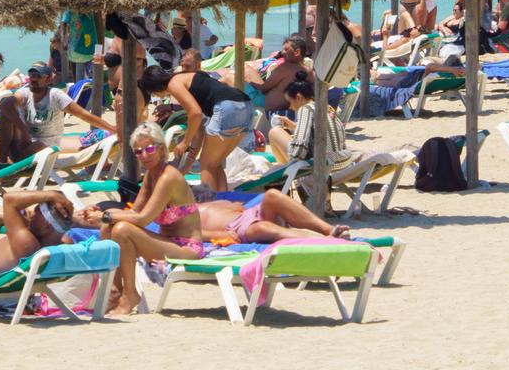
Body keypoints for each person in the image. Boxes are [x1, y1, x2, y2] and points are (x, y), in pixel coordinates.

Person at [92, 122, 209, 315]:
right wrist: (103, 217)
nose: (144, 155)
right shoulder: (151, 175)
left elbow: (143, 218)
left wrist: (106, 215)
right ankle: (115, 291)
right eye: (138, 152)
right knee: (108, 228)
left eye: (149, 149)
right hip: (167, 243)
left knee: (121, 229)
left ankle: (130, 295)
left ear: (161, 148)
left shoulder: (168, 177)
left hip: (188, 247)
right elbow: (134, 211)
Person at [137, 63, 251, 191]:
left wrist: (185, 142)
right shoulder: (187, 78)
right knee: (215, 162)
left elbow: (195, 113)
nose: (155, 96)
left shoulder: (173, 83)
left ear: (155, 86)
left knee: (207, 164)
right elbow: (199, 129)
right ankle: (222, 200)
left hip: (227, 106)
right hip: (245, 107)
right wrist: (188, 164)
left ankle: (208, 202)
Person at [0, 62, 116, 163]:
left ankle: (11, 162)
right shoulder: (25, 93)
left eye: (38, 75)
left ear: (48, 79)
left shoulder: (55, 95)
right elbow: (5, 105)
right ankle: (2, 161)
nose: (33, 78)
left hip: (45, 147)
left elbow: (83, 115)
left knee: (38, 145)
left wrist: (111, 128)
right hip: (22, 143)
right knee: (6, 114)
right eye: (31, 74)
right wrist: (23, 129)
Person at [198, 188, 349, 242]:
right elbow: (184, 233)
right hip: (234, 227)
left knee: (272, 195)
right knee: (261, 228)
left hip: (249, 213)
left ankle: (329, 229)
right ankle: (325, 240)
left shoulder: (205, 201)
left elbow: (240, 207)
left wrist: (205, 193)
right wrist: (219, 234)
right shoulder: (178, 212)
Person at [266, 73, 352, 168]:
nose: (290, 107)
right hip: (342, 162)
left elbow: (299, 148)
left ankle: (286, 174)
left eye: (290, 102)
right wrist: (294, 126)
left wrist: (293, 161)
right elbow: (320, 130)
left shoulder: (306, 109)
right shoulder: (325, 106)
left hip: (323, 168)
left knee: (274, 132)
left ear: (298, 97)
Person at [238, 32, 311, 112]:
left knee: (231, 78)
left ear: (297, 52)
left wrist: (249, 83)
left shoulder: (285, 68)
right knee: (247, 70)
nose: (282, 52)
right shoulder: (309, 71)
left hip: (265, 104)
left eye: (286, 49)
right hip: (285, 107)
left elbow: (262, 89)